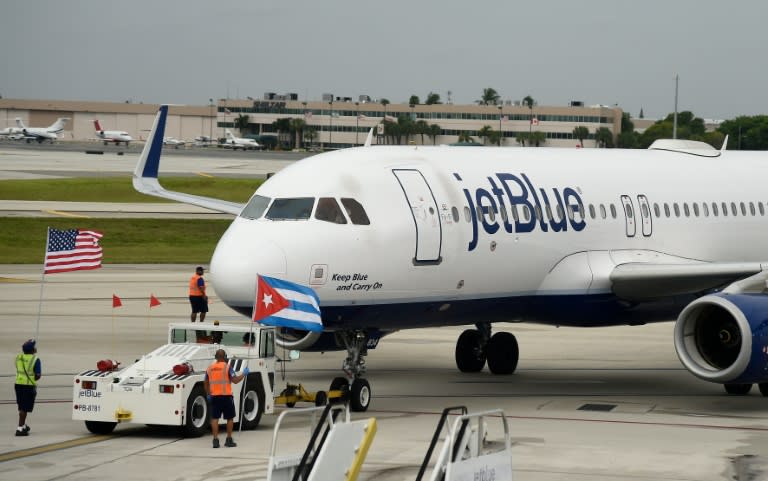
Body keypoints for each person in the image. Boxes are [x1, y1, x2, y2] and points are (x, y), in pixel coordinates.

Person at [204, 349, 249, 448]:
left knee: (215, 418)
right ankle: (228, 440)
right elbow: (235, 380)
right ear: (225, 357)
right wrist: (244, 374)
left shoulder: (210, 368)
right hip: (226, 397)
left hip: (214, 396)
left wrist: (208, 394)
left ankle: (215, 440)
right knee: (229, 418)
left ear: (216, 357)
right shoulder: (227, 367)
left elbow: (206, 382)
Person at [15, 339, 41, 436]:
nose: (35, 348)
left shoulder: (18, 357)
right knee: (24, 408)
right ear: (32, 350)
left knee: (21, 406)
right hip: (28, 386)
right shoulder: (35, 359)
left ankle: (23, 425)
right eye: (34, 347)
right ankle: (20, 428)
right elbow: (38, 376)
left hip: (18, 384)